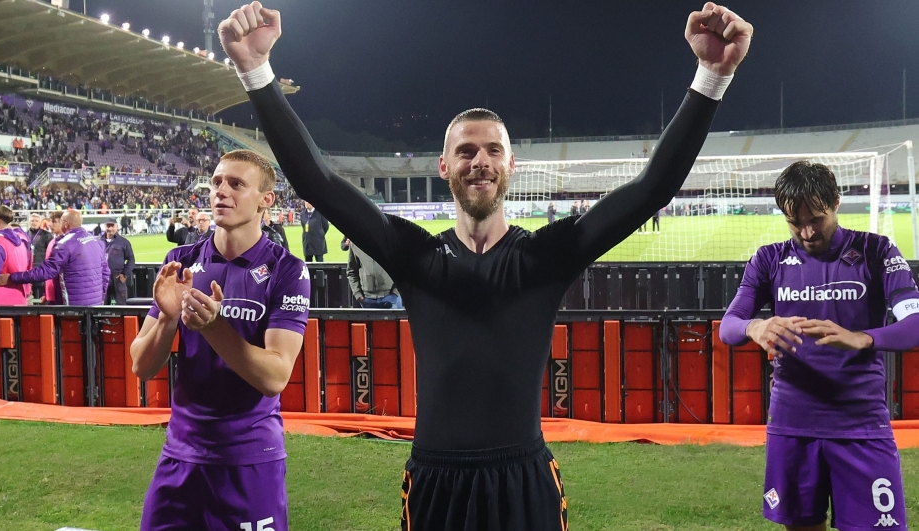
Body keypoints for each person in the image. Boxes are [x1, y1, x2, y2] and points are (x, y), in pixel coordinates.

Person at [220, 2, 751, 529]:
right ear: (444, 165)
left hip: (524, 481)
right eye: (468, 151)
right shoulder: (416, 257)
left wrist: (712, 76)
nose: (481, 162)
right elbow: (318, 183)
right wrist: (255, 69)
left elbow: (651, 189)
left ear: (511, 164)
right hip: (434, 482)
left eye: (494, 150)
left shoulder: (544, 257)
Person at [720, 161, 919, 531]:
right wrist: (756, 326)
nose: (807, 232)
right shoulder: (769, 259)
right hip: (793, 424)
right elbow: (729, 327)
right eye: (795, 222)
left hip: (861, 424)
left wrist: (864, 338)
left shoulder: (876, 252)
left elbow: (915, 324)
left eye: (817, 219)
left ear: (837, 202)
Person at [130, 149, 310, 531]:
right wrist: (168, 317)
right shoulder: (181, 260)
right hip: (180, 456)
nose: (220, 192)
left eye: (236, 184)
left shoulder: (287, 270)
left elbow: (275, 376)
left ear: (266, 200)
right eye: (216, 182)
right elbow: (141, 366)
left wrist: (213, 326)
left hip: (248, 460)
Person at [0, 209, 109, 306]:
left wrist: (12, 278)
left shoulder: (64, 244)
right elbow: (106, 272)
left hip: (74, 306)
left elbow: (46, 271)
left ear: (65, 223)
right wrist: (101, 296)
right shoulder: (97, 241)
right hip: (95, 304)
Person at [347, 241, 402, 309]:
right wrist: (358, 295)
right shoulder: (355, 243)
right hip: (367, 300)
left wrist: (395, 292)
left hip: (391, 298)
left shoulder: (391, 240)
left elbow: (403, 268)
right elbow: (351, 271)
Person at [102, 219, 135, 305]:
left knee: (121, 306)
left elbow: (131, 259)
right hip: (102, 278)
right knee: (102, 307)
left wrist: (125, 274)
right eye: (108, 226)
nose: (110, 228)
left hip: (118, 277)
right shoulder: (98, 242)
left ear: (117, 227)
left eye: (112, 226)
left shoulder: (124, 242)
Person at [27, 213, 53, 300]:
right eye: (32, 221)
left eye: (36, 221)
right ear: (29, 222)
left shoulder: (47, 235)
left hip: (41, 268)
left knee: (40, 294)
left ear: (40, 222)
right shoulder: (25, 235)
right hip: (28, 268)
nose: (34, 222)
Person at [43, 210, 64, 305]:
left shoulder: (65, 243)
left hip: (60, 293)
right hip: (51, 292)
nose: (50, 224)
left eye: (54, 221)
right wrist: (46, 293)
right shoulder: (53, 241)